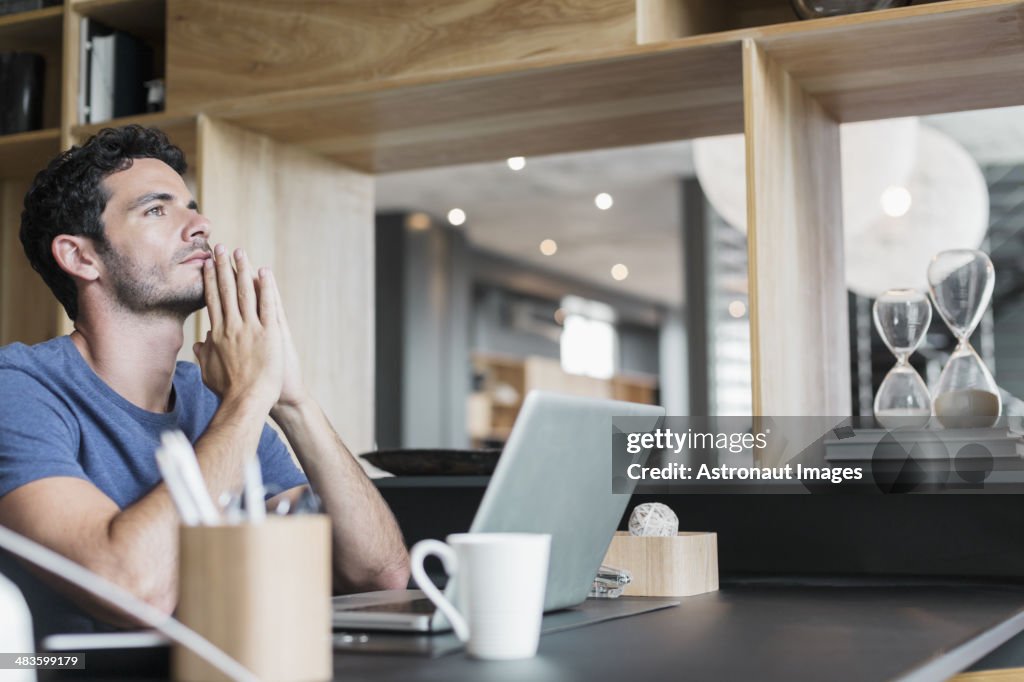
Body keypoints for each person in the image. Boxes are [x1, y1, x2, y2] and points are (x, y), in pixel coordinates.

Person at [0, 125, 410, 636]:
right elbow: (132, 590)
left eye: (191, 206)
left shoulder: (214, 397)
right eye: (157, 209)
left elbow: (380, 576)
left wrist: (291, 401)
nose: (201, 224)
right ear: (81, 256)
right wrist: (246, 399)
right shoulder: (19, 389)